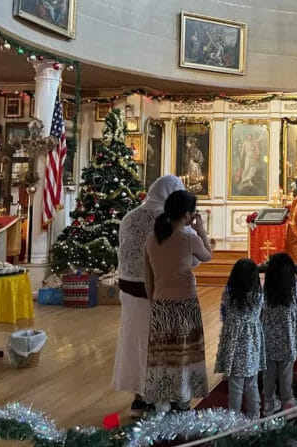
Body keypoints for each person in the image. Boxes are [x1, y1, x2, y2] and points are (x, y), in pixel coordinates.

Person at [113, 175, 186, 418]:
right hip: (162, 292)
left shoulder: (129, 217)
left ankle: (139, 397)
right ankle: (165, 396)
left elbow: (124, 252)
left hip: (130, 291)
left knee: (134, 342)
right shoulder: (171, 219)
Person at [142, 190, 212, 411]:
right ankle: (182, 398)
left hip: (161, 303)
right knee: (184, 353)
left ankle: (161, 400)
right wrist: (201, 229)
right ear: (188, 214)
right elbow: (208, 255)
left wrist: (154, 302)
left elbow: (148, 277)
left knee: (162, 353)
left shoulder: (152, 239)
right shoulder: (190, 239)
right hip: (185, 304)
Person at [215, 258, 265, 419]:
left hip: (234, 346)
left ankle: (233, 419)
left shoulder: (229, 296)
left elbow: (226, 311)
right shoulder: (258, 297)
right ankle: (254, 417)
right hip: (252, 346)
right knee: (252, 384)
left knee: (235, 386)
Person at [262, 253, 297, 415]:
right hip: (287, 338)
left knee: (269, 371)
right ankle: (287, 402)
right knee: (285, 371)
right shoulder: (292, 287)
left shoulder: (266, 288)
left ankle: (268, 402)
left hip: (268, 338)